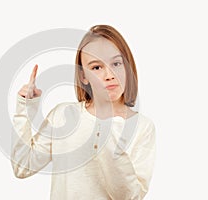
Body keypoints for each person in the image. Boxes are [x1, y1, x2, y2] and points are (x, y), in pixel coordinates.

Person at [11, 25, 156, 200]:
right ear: (83, 77)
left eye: (116, 63)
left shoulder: (142, 127)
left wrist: (107, 135)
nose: (109, 75)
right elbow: (23, 166)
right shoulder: (64, 115)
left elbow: (129, 197)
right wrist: (24, 108)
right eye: (96, 67)